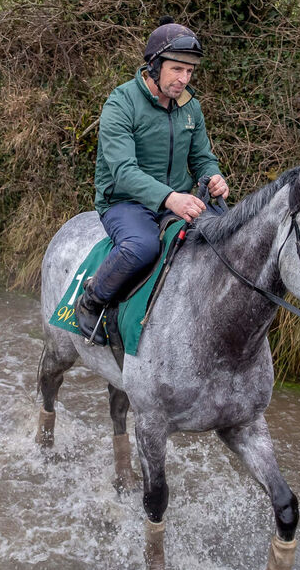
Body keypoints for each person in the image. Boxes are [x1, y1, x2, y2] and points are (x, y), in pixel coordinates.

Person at [75, 19, 229, 345]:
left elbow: (202, 158)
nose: (183, 79)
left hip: (174, 201)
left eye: (189, 71)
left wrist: (214, 176)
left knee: (225, 239)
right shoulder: (121, 103)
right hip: (124, 202)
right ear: (155, 65)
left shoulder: (191, 108)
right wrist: (171, 198)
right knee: (143, 246)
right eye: (176, 70)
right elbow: (123, 171)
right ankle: (92, 300)